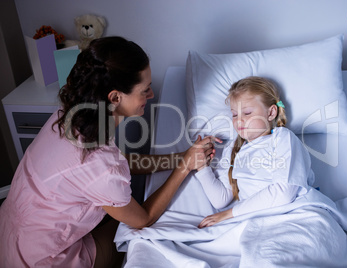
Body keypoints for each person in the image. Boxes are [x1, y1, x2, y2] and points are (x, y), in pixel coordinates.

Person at [0, 36, 217, 267]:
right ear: (115, 97)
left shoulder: (70, 116)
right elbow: (142, 219)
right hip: (44, 259)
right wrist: (184, 168)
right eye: (145, 90)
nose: (152, 95)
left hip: (10, 235)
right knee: (130, 232)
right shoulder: (98, 161)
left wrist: (180, 158)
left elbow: (120, 163)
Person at [196, 76, 315, 228]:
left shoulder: (283, 139)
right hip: (254, 220)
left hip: (294, 213)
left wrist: (230, 213)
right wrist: (202, 166)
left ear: (271, 113)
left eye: (247, 113)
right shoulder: (233, 149)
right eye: (234, 114)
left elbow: (283, 193)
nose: (239, 121)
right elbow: (221, 200)